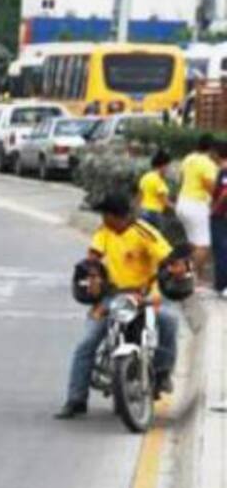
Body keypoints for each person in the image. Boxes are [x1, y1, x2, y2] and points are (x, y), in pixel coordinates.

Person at [55, 193, 180, 418]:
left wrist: (169, 276)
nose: (102, 218)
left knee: (169, 322)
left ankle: (161, 373)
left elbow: (167, 260)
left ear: (116, 216)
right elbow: (93, 257)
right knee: (87, 343)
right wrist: (92, 277)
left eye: (105, 214)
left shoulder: (145, 232)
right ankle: (76, 399)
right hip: (113, 297)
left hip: (144, 294)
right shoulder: (105, 232)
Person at [176, 134, 218, 282]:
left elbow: (181, 180)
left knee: (194, 243)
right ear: (212, 149)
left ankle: (196, 277)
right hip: (196, 205)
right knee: (204, 246)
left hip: (182, 203)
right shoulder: (207, 163)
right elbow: (212, 188)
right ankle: (188, 276)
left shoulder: (188, 158)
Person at [137, 150, 172, 229]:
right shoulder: (159, 180)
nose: (168, 169)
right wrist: (175, 207)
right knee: (157, 238)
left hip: (143, 211)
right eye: (167, 166)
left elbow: (139, 197)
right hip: (155, 214)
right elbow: (165, 202)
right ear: (163, 166)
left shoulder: (145, 177)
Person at [211, 142, 227, 295]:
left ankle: (222, 285)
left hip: (221, 215)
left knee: (221, 249)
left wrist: (214, 209)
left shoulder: (224, 170)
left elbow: (225, 192)